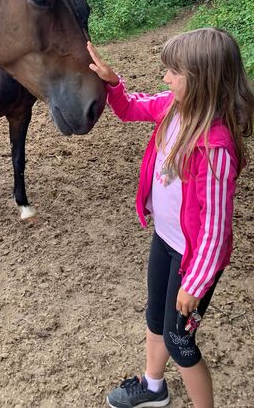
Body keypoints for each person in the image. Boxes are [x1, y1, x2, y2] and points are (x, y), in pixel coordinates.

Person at [86, 28, 254, 408]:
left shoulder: (216, 149)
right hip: (165, 239)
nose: (165, 78)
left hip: (194, 261)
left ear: (200, 80)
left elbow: (215, 229)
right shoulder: (173, 107)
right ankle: (153, 386)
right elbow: (130, 107)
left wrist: (194, 283)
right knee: (155, 321)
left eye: (173, 72)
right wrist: (113, 82)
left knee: (181, 344)